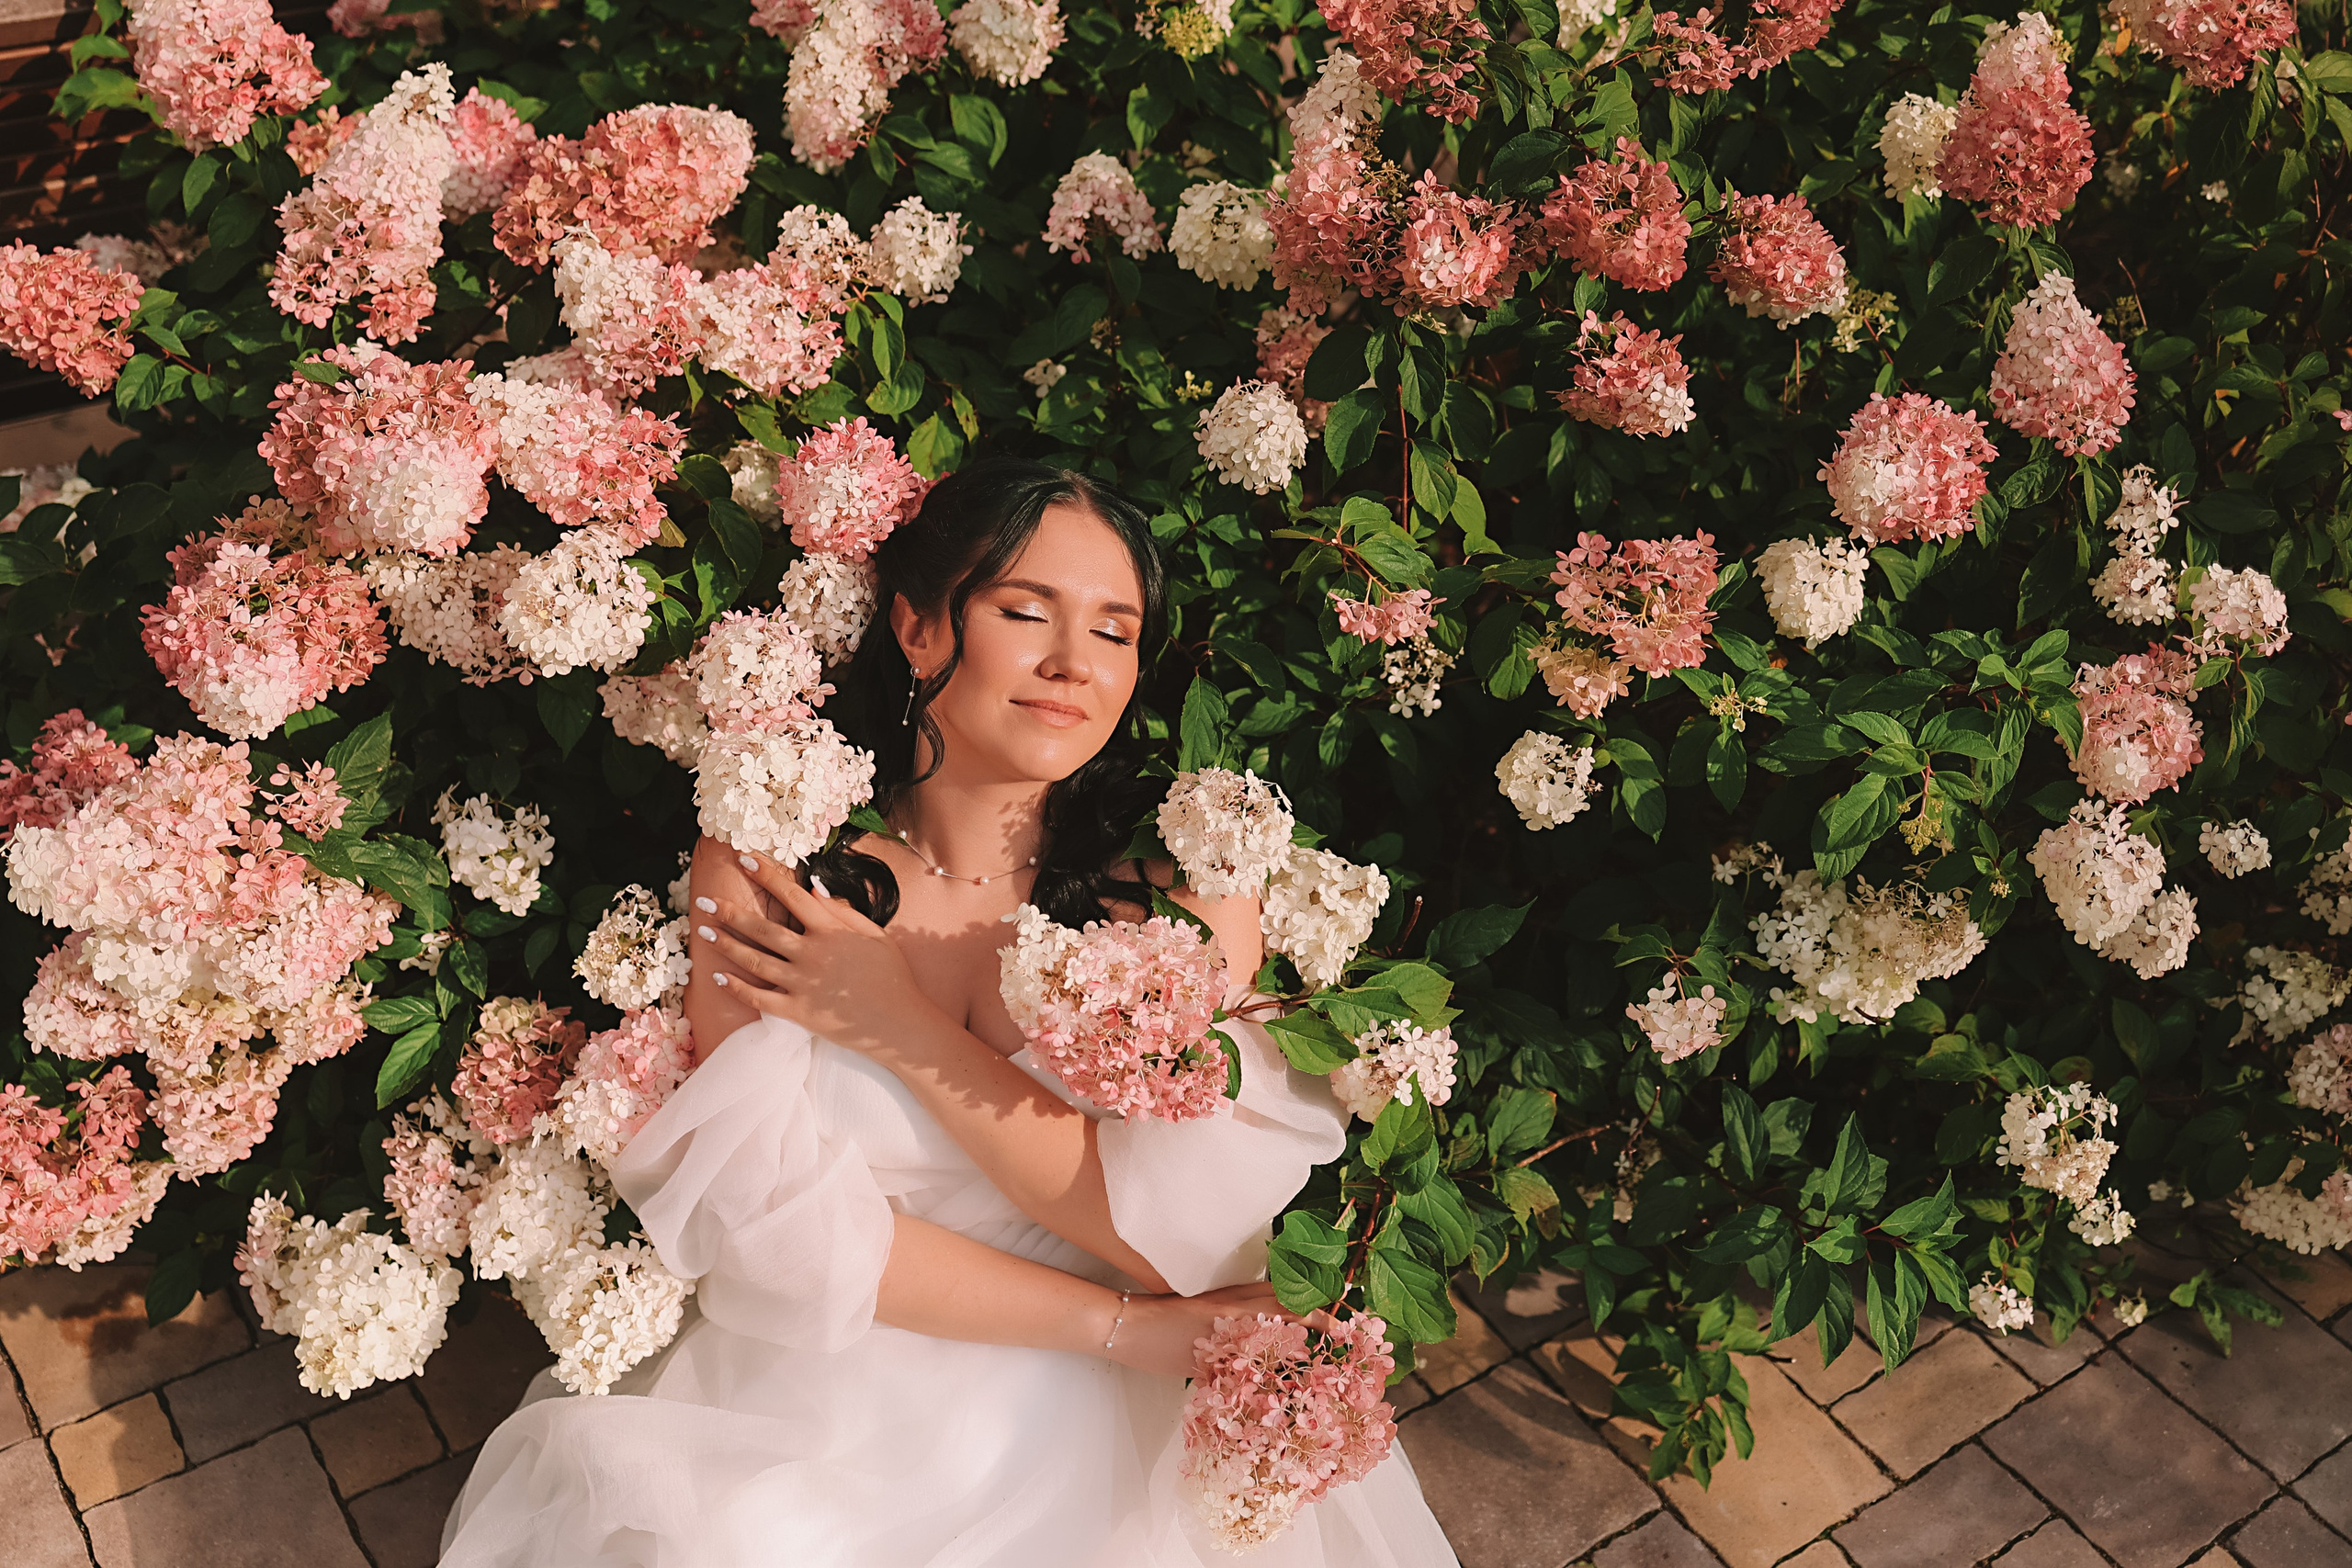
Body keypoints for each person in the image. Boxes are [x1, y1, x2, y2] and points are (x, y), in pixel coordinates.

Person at [438, 457, 1460, 1566]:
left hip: (1132, 1402)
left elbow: (1165, 1236)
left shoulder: (1185, 891)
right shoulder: (775, 865)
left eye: (1114, 633)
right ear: (920, 630)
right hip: (844, 1365)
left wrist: (894, 1023)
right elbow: (767, 1232)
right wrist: (1121, 1331)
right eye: (1026, 612)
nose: (1073, 664)